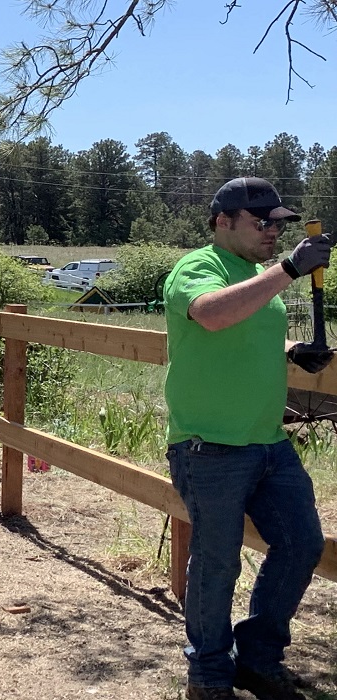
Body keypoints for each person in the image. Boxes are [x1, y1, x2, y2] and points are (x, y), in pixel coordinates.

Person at [162, 177, 331, 700]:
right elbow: (213, 315)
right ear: (222, 220)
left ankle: (256, 657)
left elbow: (246, 327)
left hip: (267, 443)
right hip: (208, 445)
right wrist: (287, 271)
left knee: (302, 544)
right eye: (262, 223)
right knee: (217, 562)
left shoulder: (255, 273)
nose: (273, 232)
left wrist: (289, 348)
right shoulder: (197, 268)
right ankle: (209, 674)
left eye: (279, 223)